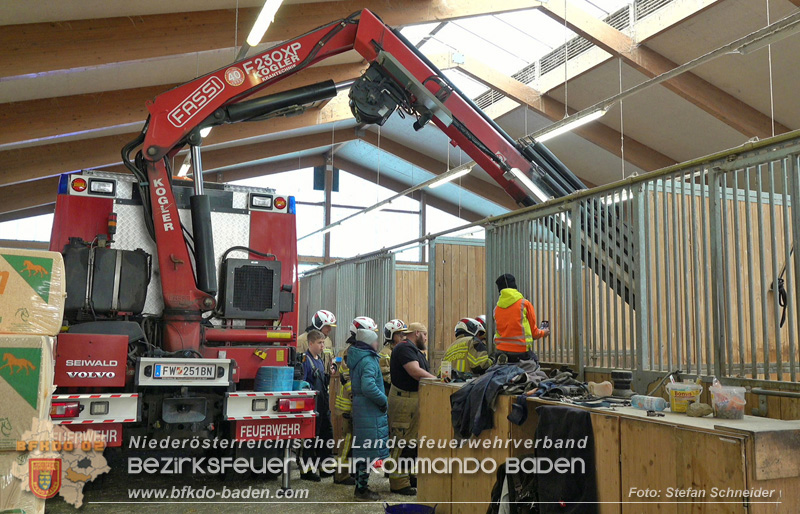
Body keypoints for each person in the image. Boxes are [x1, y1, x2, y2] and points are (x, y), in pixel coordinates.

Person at [387, 322, 436, 495]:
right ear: (417, 333)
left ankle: (408, 475)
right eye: (425, 334)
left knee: (412, 442)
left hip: (412, 400)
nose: (426, 338)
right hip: (404, 402)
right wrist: (436, 380)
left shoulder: (414, 350)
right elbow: (415, 372)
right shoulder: (404, 348)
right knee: (402, 442)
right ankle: (398, 482)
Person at [332, 316, 378, 485]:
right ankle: (341, 474)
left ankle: (349, 471)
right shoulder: (351, 352)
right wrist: (359, 398)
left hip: (355, 404)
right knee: (347, 441)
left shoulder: (356, 350)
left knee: (354, 441)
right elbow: (348, 379)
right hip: (350, 405)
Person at [348, 328, 390, 501]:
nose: (377, 343)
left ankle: (361, 486)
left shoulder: (357, 358)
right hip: (369, 410)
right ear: (368, 342)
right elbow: (368, 386)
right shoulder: (369, 360)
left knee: (363, 450)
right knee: (368, 451)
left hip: (361, 408)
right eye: (375, 340)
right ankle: (361, 490)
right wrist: (383, 400)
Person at [299, 330, 333, 482]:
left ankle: (324, 467)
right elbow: (303, 384)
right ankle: (307, 470)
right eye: (319, 343)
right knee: (311, 438)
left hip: (323, 404)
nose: (322, 346)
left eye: (323, 343)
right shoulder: (305, 361)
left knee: (326, 435)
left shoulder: (320, 360)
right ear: (310, 343)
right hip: (312, 404)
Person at [493, 273, 550, 363]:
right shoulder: (524, 304)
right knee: (535, 363)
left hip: (501, 351)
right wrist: (544, 332)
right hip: (521, 353)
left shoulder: (496, 309)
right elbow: (534, 334)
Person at [380, 319, 407, 394]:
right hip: (390, 391)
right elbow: (385, 376)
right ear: (390, 335)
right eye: (399, 334)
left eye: (404, 334)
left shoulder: (405, 350)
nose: (403, 337)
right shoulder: (385, 353)